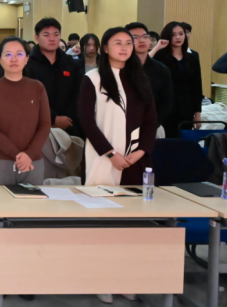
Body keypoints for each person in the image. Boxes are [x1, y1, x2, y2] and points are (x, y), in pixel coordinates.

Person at [77, 28, 156, 305]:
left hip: (135, 161)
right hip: (102, 158)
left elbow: (151, 120)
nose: (124, 47)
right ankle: (101, 279)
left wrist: (141, 152)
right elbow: (86, 121)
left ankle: (126, 278)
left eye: (128, 43)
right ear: (105, 48)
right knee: (103, 222)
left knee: (131, 224)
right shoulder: (93, 79)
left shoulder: (140, 79)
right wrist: (111, 153)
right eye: (117, 43)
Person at [0, 36, 50, 186]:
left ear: (26, 59)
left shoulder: (37, 87)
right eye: (8, 54)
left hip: (32, 160)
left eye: (19, 54)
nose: (14, 59)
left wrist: (29, 154)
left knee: (31, 201)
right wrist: (17, 155)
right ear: (0, 60)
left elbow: (45, 125)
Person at [26, 18, 83, 137]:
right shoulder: (27, 65)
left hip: (69, 125)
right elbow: (28, 97)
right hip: (35, 126)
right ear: (37, 38)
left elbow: (77, 94)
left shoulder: (71, 64)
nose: (52, 39)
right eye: (46, 35)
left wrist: (66, 119)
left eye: (56, 34)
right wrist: (53, 119)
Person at [152, 22, 203, 138]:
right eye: (173, 34)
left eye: (181, 34)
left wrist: (197, 113)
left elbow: (196, 86)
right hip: (164, 108)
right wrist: (157, 47)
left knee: (183, 140)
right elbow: (144, 66)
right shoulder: (159, 56)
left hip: (186, 108)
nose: (178, 37)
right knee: (166, 141)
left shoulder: (192, 57)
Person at [125, 23, 174, 128]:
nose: (141, 40)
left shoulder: (161, 69)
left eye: (145, 36)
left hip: (153, 126)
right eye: (135, 37)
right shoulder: (120, 68)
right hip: (123, 126)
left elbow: (166, 101)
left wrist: (153, 124)